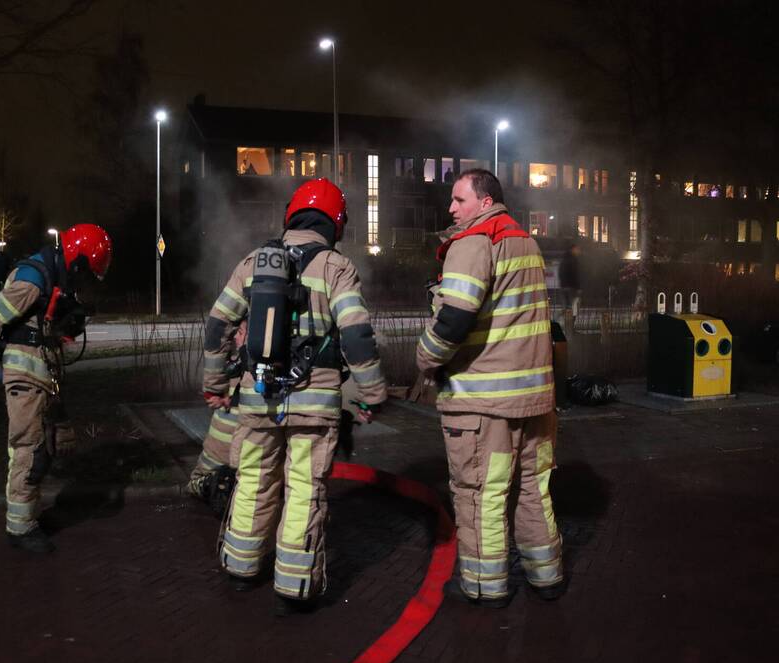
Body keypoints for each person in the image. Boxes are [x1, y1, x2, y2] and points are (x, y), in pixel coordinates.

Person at [204, 178, 387, 615]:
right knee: (304, 489)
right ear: (335, 222)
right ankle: (294, 586)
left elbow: (216, 326)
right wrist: (372, 391)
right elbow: (357, 335)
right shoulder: (336, 267)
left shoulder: (252, 262)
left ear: (291, 214)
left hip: (258, 399)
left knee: (254, 479)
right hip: (314, 402)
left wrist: (216, 385)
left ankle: (242, 568)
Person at [416, 169, 565, 607]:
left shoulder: (473, 243)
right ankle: (548, 576)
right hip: (536, 400)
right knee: (534, 491)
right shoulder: (526, 242)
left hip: (485, 403)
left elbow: (454, 318)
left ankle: (484, 585)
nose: (451, 208)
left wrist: (424, 359)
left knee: (482, 492)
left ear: (484, 202)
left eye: (459, 199)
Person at [0, 223, 112, 553]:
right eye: (86, 272)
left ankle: (27, 515)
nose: (85, 281)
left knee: (42, 448)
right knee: (29, 451)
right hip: (24, 376)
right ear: (77, 261)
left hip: (40, 373)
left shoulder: (52, 276)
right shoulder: (33, 282)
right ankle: (19, 529)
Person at [187, 321, 247, 517]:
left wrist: (217, 395)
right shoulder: (245, 361)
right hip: (228, 440)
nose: (236, 338)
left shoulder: (240, 361)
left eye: (240, 333)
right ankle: (219, 487)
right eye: (236, 332)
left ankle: (217, 486)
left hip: (225, 438)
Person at [558, 240, 581, 317]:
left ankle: (565, 322)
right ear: (573, 249)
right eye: (577, 249)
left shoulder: (563, 259)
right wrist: (578, 287)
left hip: (563, 286)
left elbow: (560, 273)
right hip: (571, 287)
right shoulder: (573, 260)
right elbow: (575, 274)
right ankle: (570, 325)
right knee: (573, 307)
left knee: (567, 307)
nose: (578, 251)